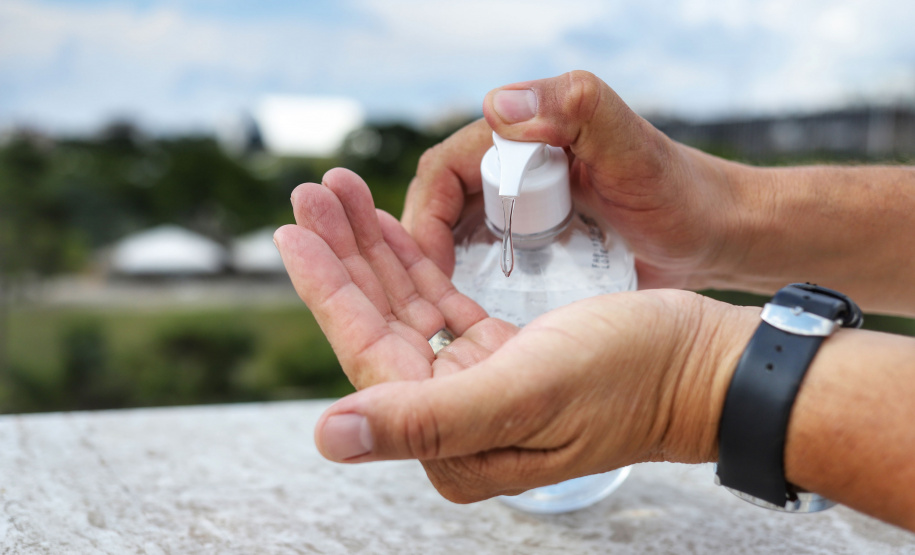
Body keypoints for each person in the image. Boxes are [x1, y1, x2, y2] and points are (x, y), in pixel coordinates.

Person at [273, 71, 915, 532]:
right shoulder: (487, 243)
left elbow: (684, 374)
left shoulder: (598, 241)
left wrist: (689, 387)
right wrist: (723, 218)